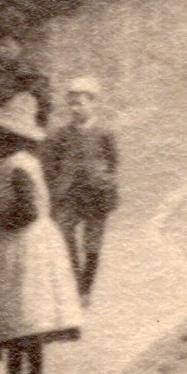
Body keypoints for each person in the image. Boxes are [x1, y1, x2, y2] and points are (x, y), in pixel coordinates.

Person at [0, 93, 82, 374]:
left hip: (25, 243)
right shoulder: (13, 164)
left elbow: (27, 211)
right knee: (15, 311)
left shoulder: (19, 166)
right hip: (15, 243)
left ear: (11, 138)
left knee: (27, 312)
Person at [45, 77, 119, 308]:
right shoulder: (61, 134)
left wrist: (104, 180)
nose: (76, 108)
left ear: (94, 103)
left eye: (81, 103)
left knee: (92, 243)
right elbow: (53, 163)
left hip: (96, 193)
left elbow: (113, 161)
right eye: (72, 104)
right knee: (64, 235)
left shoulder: (104, 133)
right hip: (68, 194)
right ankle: (75, 283)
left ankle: (86, 288)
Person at [0, 33, 53, 127]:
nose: (1, 50)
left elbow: (44, 104)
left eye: (6, 45)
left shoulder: (30, 74)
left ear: (19, 47)